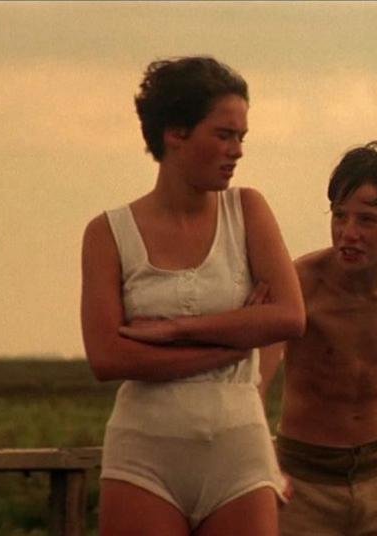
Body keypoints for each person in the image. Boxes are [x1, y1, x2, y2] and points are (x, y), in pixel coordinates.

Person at [79, 56, 305, 535]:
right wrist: (236, 341)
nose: (237, 151)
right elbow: (107, 357)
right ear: (175, 133)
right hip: (145, 455)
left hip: (238, 453)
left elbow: (289, 317)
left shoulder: (247, 210)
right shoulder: (108, 233)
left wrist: (176, 330)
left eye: (241, 137)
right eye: (224, 135)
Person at [258, 141, 377, 535]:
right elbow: (258, 379)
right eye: (339, 216)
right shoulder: (300, 283)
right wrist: (262, 465)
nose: (348, 234)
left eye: (366, 220)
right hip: (305, 476)